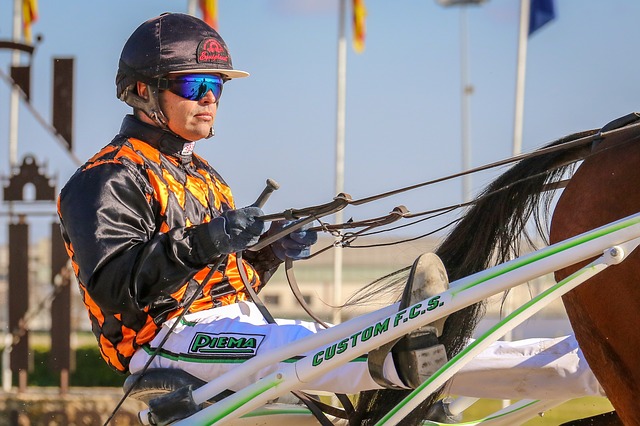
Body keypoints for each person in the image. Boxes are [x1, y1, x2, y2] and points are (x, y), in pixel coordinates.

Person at [56, 12, 444, 395]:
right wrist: (206, 240)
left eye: (217, 85)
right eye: (194, 85)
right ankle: (406, 361)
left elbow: (225, 282)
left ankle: (464, 364)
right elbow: (113, 287)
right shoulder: (107, 176)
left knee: (336, 334)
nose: (209, 97)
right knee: (304, 343)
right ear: (143, 90)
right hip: (161, 342)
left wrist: (270, 250)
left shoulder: (206, 176)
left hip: (226, 326)